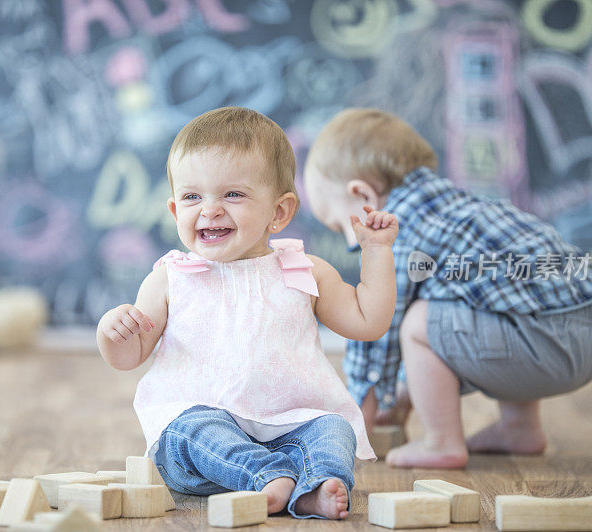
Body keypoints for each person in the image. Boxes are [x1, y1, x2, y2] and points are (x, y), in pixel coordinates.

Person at [97, 106, 398, 518]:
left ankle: (315, 486)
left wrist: (377, 252)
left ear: (279, 212)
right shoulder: (171, 277)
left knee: (334, 427)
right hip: (207, 445)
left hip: (292, 427)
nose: (210, 209)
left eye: (232, 194)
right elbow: (129, 356)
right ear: (174, 211)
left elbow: (368, 321)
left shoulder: (303, 269)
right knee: (188, 429)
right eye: (191, 196)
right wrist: (112, 333)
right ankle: (267, 476)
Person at [304, 108, 592, 469]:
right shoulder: (458, 205)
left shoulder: (398, 228)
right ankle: (519, 428)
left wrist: (363, 406)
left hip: (548, 344)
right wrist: (400, 392)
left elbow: (378, 332)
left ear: (363, 197)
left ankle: (441, 442)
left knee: (419, 325)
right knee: (497, 299)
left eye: (338, 226)